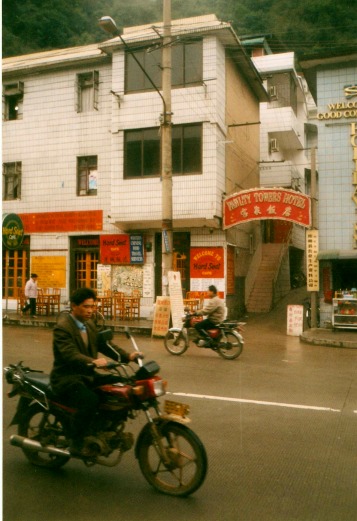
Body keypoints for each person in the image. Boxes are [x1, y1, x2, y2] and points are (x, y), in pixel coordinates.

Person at [50, 287, 142, 456]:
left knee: (119, 384)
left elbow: (105, 345)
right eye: (86, 307)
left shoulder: (90, 325)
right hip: (67, 378)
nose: (90, 310)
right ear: (73, 306)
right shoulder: (63, 328)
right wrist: (93, 361)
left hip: (88, 375)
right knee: (90, 400)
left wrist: (128, 356)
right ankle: (76, 441)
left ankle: (103, 427)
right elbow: (69, 354)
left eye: (93, 306)